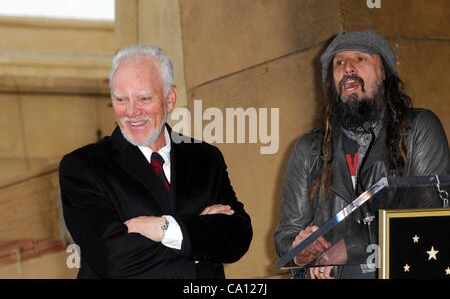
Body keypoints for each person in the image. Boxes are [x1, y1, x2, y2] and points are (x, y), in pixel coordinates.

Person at [60, 44, 252, 278]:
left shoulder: (205, 159)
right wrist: (197, 234)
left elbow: (237, 237)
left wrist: (162, 229)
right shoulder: (83, 166)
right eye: (121, 100)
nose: (132, 112)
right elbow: (114, 259)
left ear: (170, 99)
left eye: (144, 98)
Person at [275, 30, 449, 279]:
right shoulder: (308, 149)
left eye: (360, 58)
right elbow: (287, 235)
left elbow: (429, 217)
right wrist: (300, 249)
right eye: (338, 63)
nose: (347, 68)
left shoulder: (417, 129)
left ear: (385, 72)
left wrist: (348, 247)